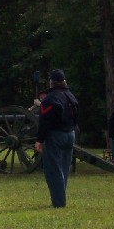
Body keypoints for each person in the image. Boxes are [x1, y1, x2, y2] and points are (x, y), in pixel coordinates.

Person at [34, 69, 79, 208]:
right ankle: (60, 197)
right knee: (64, 168)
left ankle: (59, 202)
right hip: (70, 133)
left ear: (51, 82)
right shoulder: (71, 96)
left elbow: (45, 121)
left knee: (53, 170)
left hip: (55, 135)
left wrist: (39, 139)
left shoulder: (50, 99)